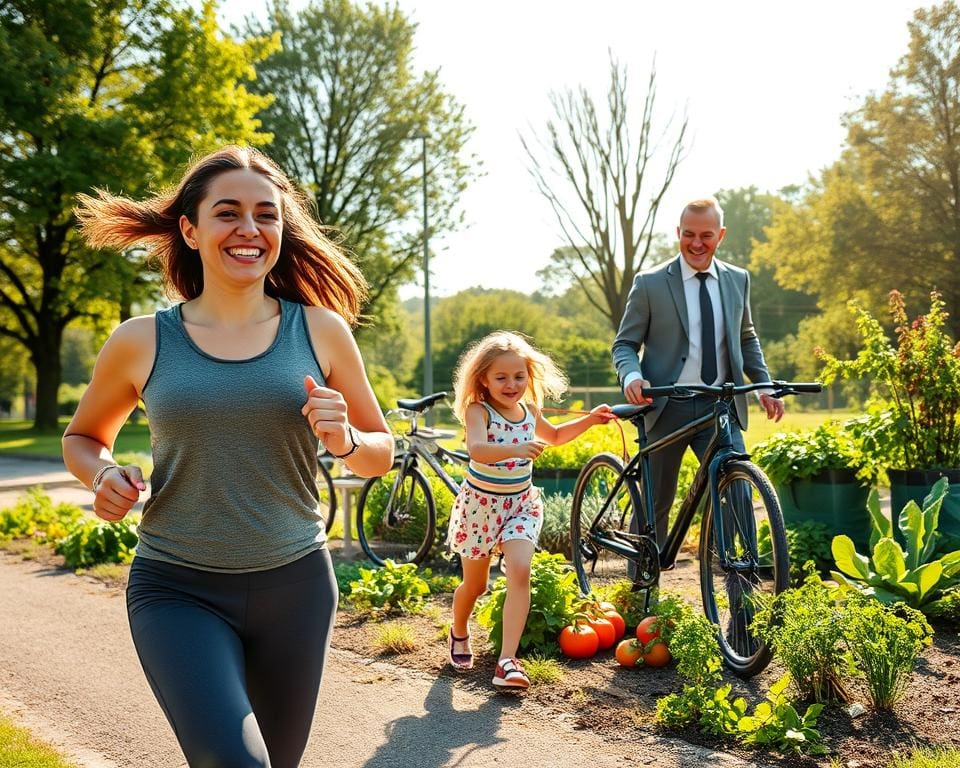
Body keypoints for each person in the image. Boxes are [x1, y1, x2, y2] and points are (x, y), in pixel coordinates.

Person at [62, 146, 393, 768]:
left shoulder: (320, 331)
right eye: (228, 212)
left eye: (266, 215)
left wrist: (346, 439)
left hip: (295, 588)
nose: (250, 228)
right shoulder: (141, 340)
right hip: (176, 588)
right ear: (190, 230)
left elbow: (380, 453)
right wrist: (102, 474)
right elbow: (82, 438)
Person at [445, 331, 614, 689]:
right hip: (481, 508)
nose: (512, 385)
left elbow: (555, 436)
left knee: (520, 570)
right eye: (501, 377)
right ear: (484, 379)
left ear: (529, 376)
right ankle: (459, 629)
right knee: (475, 586)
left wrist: (590, 419)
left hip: (520, 504)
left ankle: (507, 661)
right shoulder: (479, 411)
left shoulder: (530, 411)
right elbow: (477, 450)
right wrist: (517, 448)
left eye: (519, 376)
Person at [612, 196, 784, 546]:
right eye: (689, 234)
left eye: (706, 235)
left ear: (721, 235)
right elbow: (624, 344)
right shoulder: (650, 283)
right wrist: (632, 376)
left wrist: (763, 385)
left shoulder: (737, 279)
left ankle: (739, 580)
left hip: (719, 405)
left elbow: (745, 337)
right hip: (665, 406)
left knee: (737, 492)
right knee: (657, 503)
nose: (696, 243)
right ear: (678, 232)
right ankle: (642, 579)